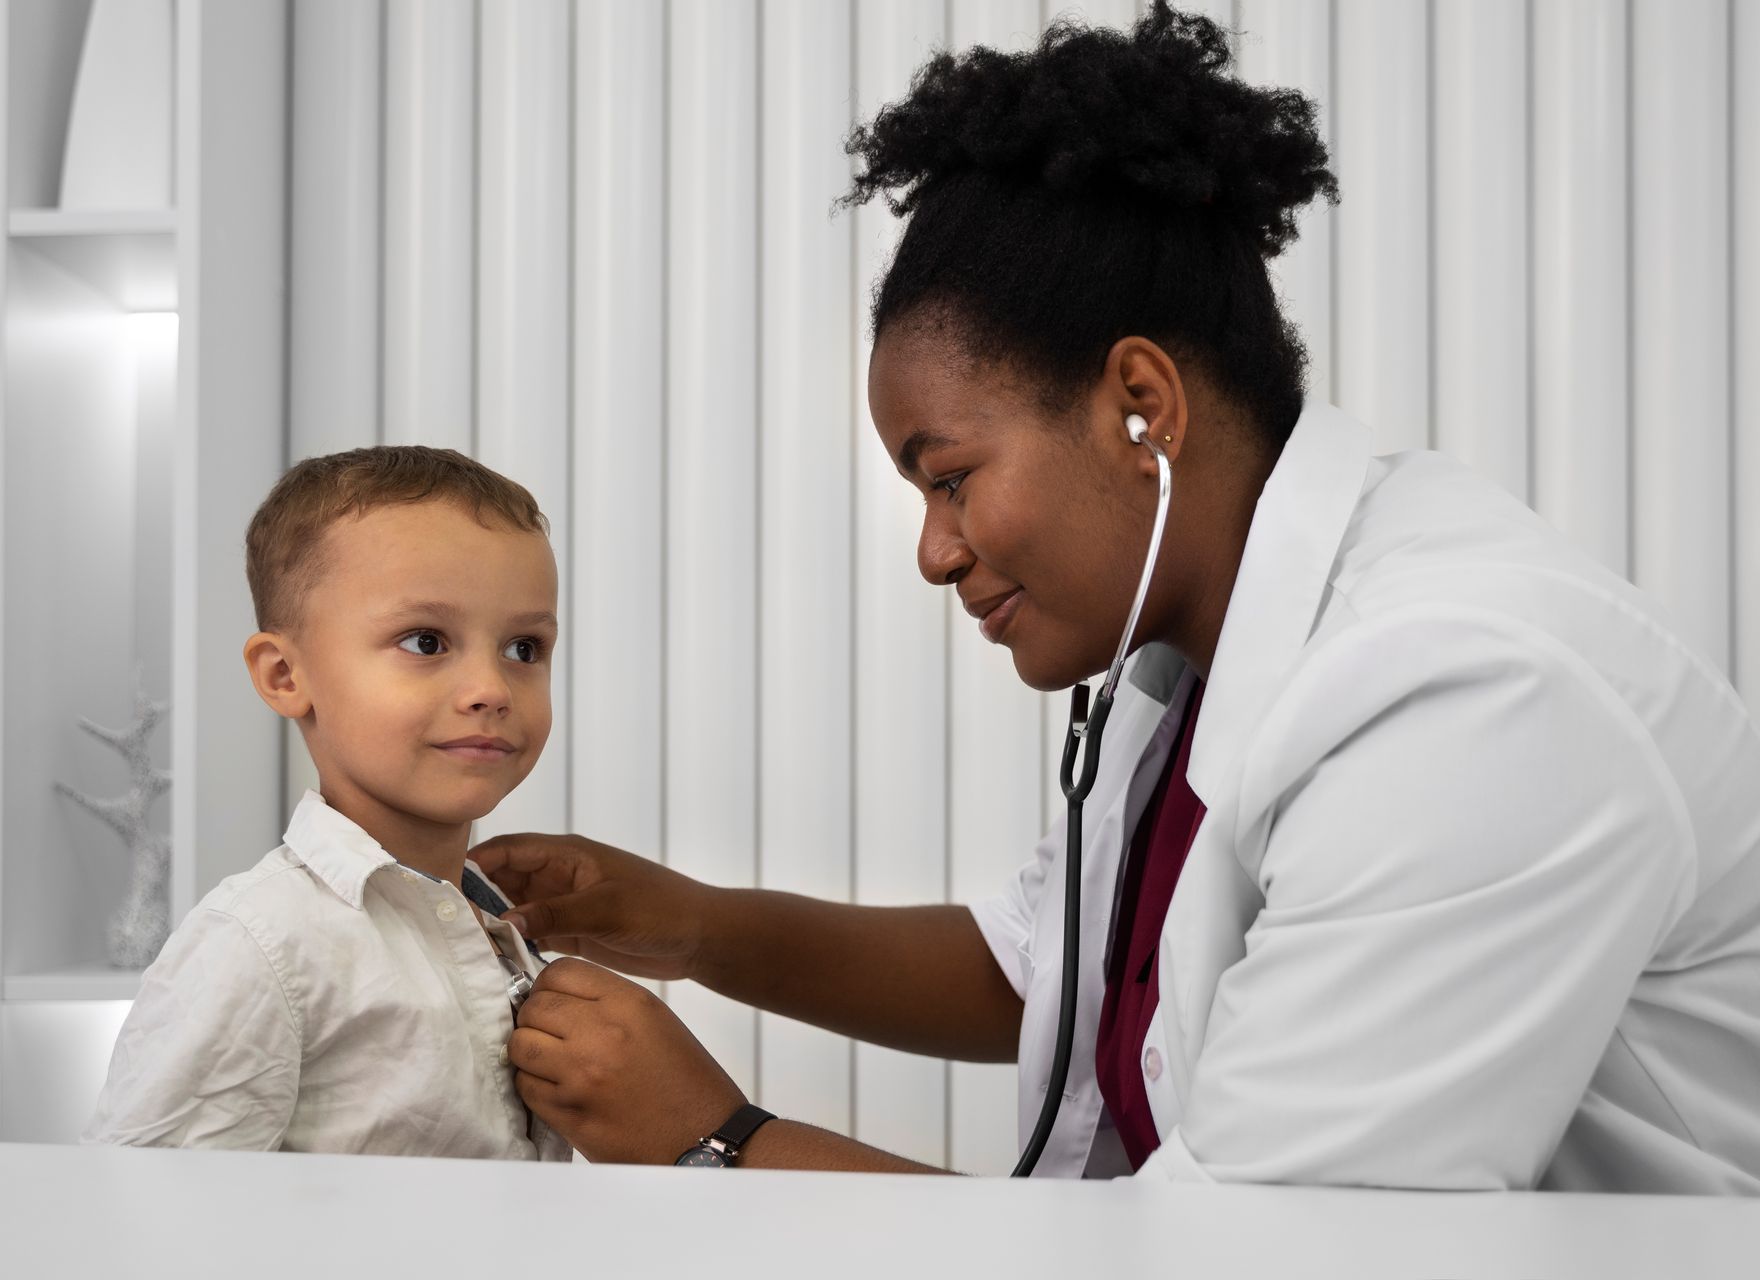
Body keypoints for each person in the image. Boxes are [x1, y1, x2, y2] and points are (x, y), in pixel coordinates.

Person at [482, 5, 1760, 1192]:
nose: (935, 550)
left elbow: (1253, 1262)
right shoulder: (1199, 646)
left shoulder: (1469, 702)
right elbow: (1044, 966)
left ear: (1138, 406)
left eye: (952, 477)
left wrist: (720, 1139)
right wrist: (694, 926)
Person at [85, 446, 569, 1161]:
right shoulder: (259, 945)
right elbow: (145, 1210)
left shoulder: (498, 926)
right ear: (285, 674)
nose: (491, 688)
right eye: (426, 641)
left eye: (524, 649)